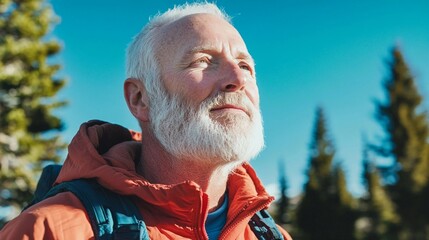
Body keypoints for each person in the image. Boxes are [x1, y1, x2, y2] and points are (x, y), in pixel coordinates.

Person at [0, 2, 292, 239]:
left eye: (245, 66)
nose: (238, 79)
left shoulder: (273, 236)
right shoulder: (49, 229)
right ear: (140, 99)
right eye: (203, 61)